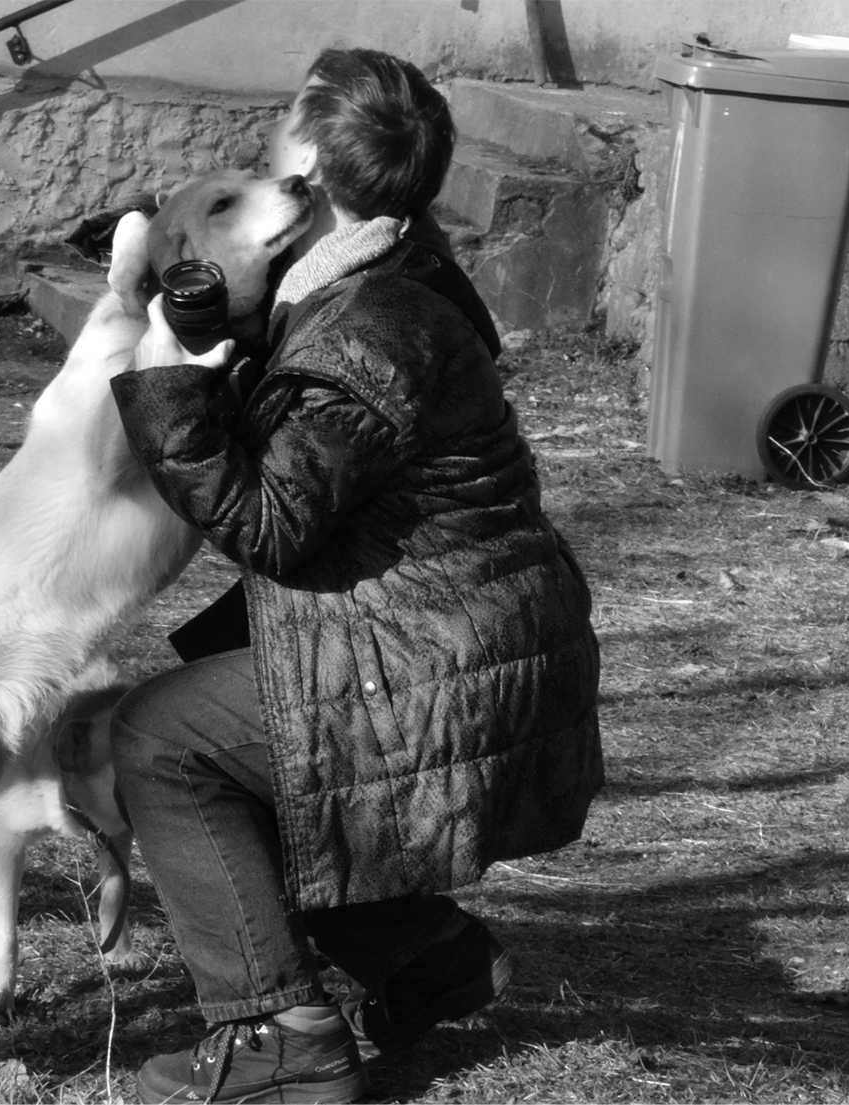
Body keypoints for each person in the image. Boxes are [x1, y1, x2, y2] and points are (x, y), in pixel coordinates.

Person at [107, 47, 604, 1104]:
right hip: (461, 631)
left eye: (283, 137)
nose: (265, 154)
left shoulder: (367, 331)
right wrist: (234, 337)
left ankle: (278, 1035)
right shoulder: (394, 268)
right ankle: (424, 955)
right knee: (254, 730)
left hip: (440, 659)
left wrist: (164, 384)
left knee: (163, 738)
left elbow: (269, 523)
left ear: (318, 178)